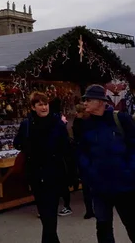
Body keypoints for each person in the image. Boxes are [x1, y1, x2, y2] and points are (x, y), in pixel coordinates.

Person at [77, 84, 135, 242]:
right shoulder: (85, 124)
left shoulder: (121, 119)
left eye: (88, 100)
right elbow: (82, 151)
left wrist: (129, 171)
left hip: (125, 187)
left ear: (100, 101)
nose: (85, 103)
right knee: (103, 229)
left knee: (132, 225)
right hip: (99, 188)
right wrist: (89, 172)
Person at [14, 91, 70, 243]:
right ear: (33, 107)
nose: (44, 107)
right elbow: (17, 143)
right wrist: (27, 144)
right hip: (35, 174)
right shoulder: (27, 124)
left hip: (54, 173)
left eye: (46, 104)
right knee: (45, 214)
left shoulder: (57, 123)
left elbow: (66, 147)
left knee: (50, 213)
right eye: (40, 104)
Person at [72, 103, 94, 219]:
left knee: (88, 184)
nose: (76, 113)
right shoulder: (81, 122)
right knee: (88, 184)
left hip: (85, 155)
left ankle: (91, 209)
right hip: (85, 156)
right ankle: (90, 209)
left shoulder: (83, 123)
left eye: (78, 111)